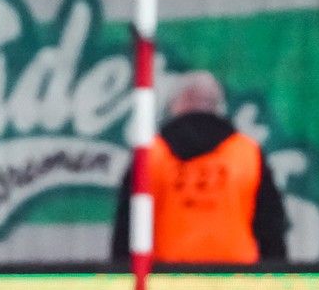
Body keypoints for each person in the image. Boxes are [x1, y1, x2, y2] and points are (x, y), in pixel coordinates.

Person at [110, 73, 286, 264]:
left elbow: (128, 230)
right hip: (237, 281)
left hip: (165, 281)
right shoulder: (248, 154)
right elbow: (271, 231)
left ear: (176, 104)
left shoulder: (150, 154)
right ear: (219, 106)